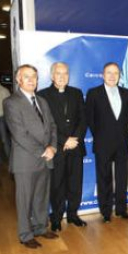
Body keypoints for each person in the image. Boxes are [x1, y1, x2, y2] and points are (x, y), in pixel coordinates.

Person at [3, 64, 58, 249]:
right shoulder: (11, 102)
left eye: (34, 76)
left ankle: (41, 228)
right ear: (18, 80)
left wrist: (53, 147)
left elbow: (52, 126)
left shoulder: (42, 101)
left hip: (46, 157)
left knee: (41, 197)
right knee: (24, 200)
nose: (31, 80)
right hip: (26, 160)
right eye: (26, 76)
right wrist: (43, 151)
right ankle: (26, 235)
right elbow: (19, 134)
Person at [37, 62, 87, 231]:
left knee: (75, 183)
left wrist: (75, 139)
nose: (62, 76)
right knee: (57, 185)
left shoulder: (77, 93)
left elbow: (83, 119)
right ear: (52, 76)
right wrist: (64, 140)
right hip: (56, 148)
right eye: (58, 73)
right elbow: (44, 124)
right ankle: (57, 218)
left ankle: (73, 215)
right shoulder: (42, 95)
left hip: (76, 147)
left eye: (65, 73)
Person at [86, 62, 128, 223]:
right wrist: (101, 135)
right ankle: (106, 212)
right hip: (103, 143)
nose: (112, 76)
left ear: (119, 75)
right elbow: (90, 119)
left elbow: (127, 117)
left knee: (122, 177)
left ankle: (121, 209)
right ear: (102, 75)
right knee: (104, 178)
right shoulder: (93, 93)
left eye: (115, 73)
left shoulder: (126, 93)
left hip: (122, 143)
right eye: (109, 73)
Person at [0, 83, 11, 162]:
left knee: (4, 140)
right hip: (2, 117)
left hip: (2, 117)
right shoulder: (5, 90)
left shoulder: (4, 91)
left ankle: (10, 158)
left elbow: (9, 106)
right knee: (5, 140)